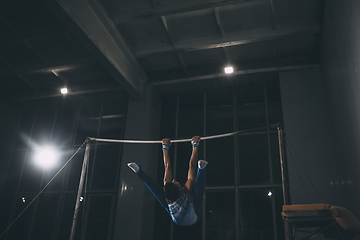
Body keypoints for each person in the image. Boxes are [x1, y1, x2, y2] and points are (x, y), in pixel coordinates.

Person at [127, 136, 208, 226]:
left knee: (158, 191)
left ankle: (138, 171)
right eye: (175, 182)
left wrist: (165, 146)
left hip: (177, 219)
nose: (174, 180)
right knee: (197, 194)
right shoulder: (188, 194)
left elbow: (167, 167)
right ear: (181, 191)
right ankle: (201, 169)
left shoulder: (168, 193)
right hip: (193, 218)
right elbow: (192, 166)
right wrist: (195, 146)